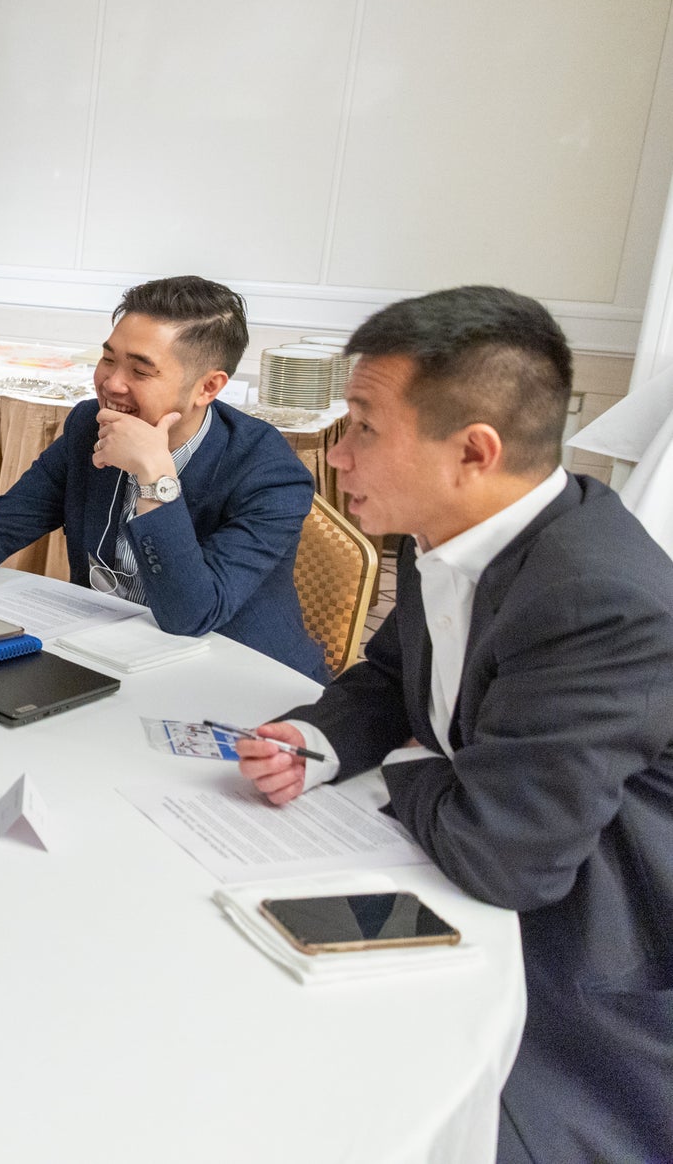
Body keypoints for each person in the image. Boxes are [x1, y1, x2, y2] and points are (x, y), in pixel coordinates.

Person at [232, 287, 673, 1162]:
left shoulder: (598, 598)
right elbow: (397, 674)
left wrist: (408, 765)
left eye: (364, 427)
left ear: (474, 451)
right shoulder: (455, 527)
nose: (337, 454)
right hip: (478, 870)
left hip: (587, 965)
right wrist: (321, 742)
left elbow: (509, 855)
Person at [0, 276, 327, 680]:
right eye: (108, 359)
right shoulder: (90, 424)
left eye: (140, 371)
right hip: (105, 656)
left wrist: (154, 476)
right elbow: (9, 520)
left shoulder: (269, 472)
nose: (111, 383)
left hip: (237, 678)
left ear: (208, 387)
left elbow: (191, 615)